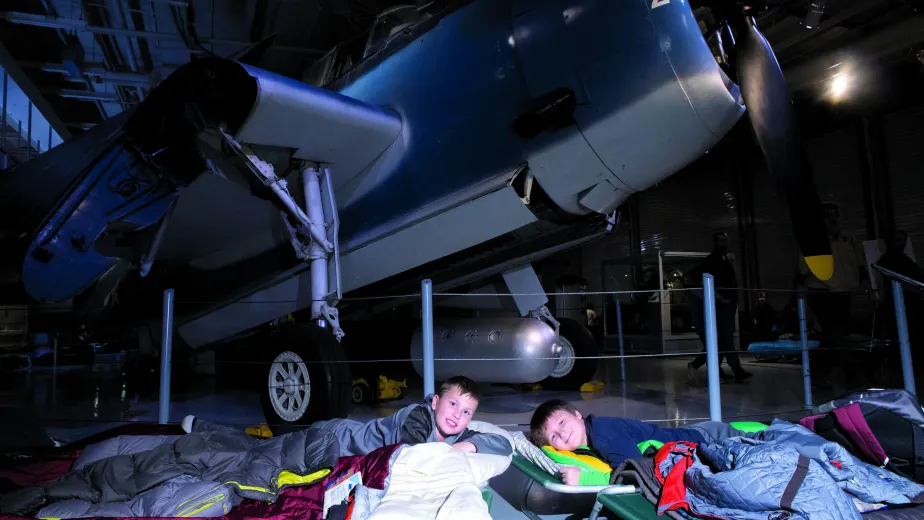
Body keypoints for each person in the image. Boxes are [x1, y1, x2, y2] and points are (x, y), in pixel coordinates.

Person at [528, 399, 745, 484]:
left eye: (561, 423)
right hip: (690, 436)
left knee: (769, 442)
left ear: (577, 414)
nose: (561, 434)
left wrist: (585, 479)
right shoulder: (586, 443)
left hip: (709, 440)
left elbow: (638, 470)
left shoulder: (604, 433)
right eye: (554, 437)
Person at [310, 375, 512, 457]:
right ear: (434, 402)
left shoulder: (457, 434)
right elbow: (415, 457)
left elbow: (504, 444)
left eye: (466, 412)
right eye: (453, 404)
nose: (457, 415)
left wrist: (461, 446)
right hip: (334, 436)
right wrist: (447, 450)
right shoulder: (418, 417)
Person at [797, 202, 866, 388]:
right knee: (835, 335)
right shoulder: (813, 240)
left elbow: (856, 264)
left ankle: (818, 376)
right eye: (827, 214)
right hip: (822, 292)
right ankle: (854, 375)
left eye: (835, 214)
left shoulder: (848, 238)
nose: (832, 218)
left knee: (832, 336)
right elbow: (804, 270)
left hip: (843, 292)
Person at [687, 232, 752, 383]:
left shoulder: (724, 261)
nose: (724, 243)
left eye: (725, 240)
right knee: (723, 340)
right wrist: (721, 298)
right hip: (720, 306)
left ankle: (718, 370)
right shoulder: (712, 261)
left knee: (723, 341)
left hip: (725, 305)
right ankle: (733, 370)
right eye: (721, 241)